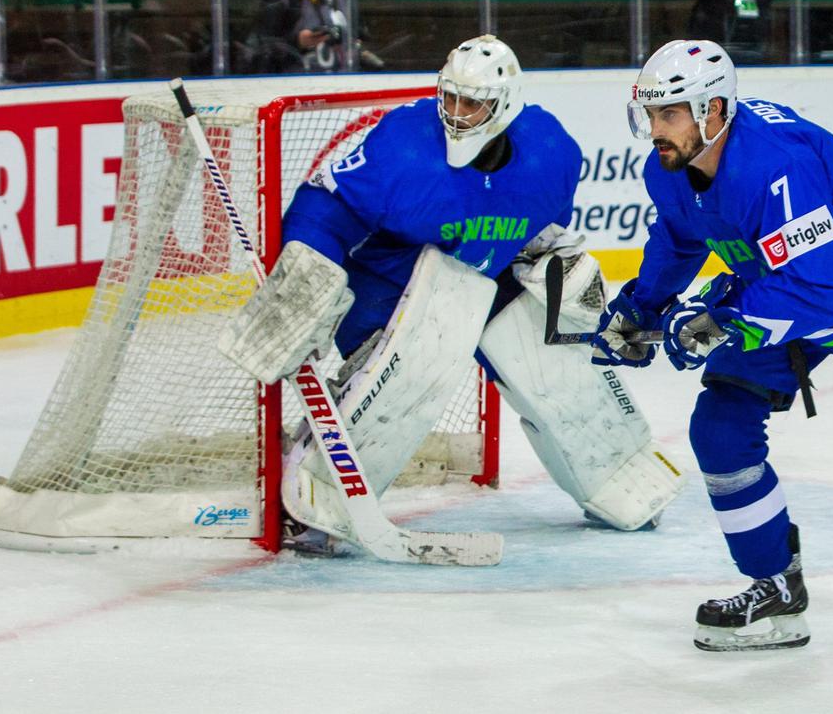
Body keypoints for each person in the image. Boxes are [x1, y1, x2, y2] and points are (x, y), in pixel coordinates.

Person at [218, 35, 685, 555]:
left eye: (473, 102)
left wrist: (558, 262)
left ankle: (615, 472)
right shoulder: (402, 148)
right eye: (451, 97)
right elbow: (324, 203)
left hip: (488, 269)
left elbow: (542, 226)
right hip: (390, 276)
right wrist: (309, 264)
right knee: (413, 368)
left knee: (554, 361)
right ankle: (315, 496)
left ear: (505, 106)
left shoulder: (551, 152)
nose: (457, 114)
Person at [593, 39, 833, 651]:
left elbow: (827, 292)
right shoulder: (668, 167)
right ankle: (775, 587)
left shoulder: (771, 168)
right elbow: (680, 236)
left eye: (668, 114)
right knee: (720, 426)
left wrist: (722, 322)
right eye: (650, 114)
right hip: (779, 289)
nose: (654, 130)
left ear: (714, 111)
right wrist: (642, 307)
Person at [252, 0, 383, 73]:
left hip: (339, 82)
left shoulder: (342, 0)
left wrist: (351, 42)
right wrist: (296, 42)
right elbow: (260, 47)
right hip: (293, 84)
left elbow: (361, 37)